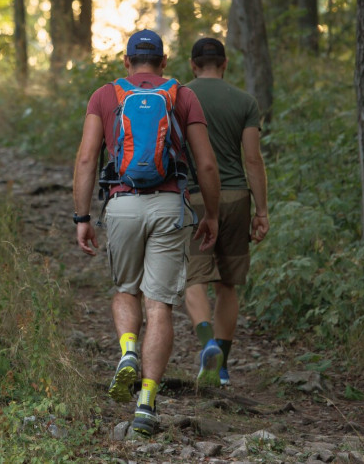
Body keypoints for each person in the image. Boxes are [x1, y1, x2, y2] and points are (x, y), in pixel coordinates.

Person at [72, 29, 220, 436]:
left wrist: (81, 217)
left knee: (125, 289)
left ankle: (128, 350)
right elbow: (206, 165)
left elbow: (87, 159)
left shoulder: (106, 95)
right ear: (164, 60)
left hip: (122, 204)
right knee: (160, 306)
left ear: (126, 61)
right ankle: (146, 405)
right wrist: (212, 215)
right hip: (170, 205)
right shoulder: (182, 94)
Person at [183, 37, 270, 388]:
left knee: (194, 279)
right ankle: (221, 368)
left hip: (192, 197)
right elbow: (252, 159)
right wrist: (261, 210)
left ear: (192, 65)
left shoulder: (179, 96)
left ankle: (207, 347)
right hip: (235, 197)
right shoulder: (245, 102)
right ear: (225, 63)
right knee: (228, 284)